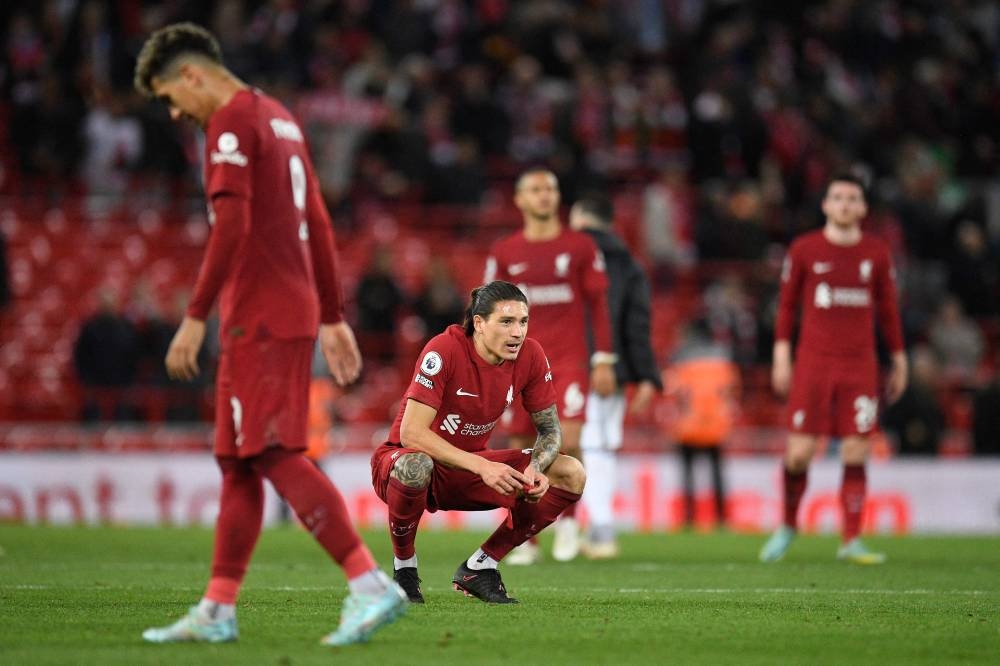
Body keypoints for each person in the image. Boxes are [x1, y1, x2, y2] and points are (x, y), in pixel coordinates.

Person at [132, 23, 405, 647]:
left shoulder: (230, 122)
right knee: (237, 461)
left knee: (275, 450)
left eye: (172, 97)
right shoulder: (279, 118)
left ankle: (368, 584)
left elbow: (232, 225)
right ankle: (218, 608)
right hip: (281, 309)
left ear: (193, 75)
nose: (176, 112)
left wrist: (194, 314)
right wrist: (332, 316)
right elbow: (319, 220)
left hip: (259, 313)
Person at [370, 281, 586, 603]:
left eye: (523, 321)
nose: (518, 332)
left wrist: (535, 468)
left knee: (571, 472)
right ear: (479, 323)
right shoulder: (444, 350)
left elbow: (551, 431)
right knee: (416, 465)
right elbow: (411, 434)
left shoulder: (530, 355)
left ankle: (481, 567)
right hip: (405, 461)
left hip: (468, 468)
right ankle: (405, 571)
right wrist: (483, 466)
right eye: (506, 321)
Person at [759, 173, 907, 565]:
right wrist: (781, 355)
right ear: (825, 205)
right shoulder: (806, 248)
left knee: (857, 449)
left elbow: (889, 311)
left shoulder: (876, 253)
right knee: (798, 455)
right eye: (837, 197)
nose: (844, 204)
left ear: (862, 208)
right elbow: (787, 306)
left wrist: (900, 357)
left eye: (852, 198)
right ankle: (789, 525)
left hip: (860, 365)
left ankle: (851, 539)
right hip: (813, 363)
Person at [484, 168, 615, 564]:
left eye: (550, 189)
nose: (544, 196)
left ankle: (569, 525)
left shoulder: (580, 246)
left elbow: (599, 305)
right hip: (516, 362)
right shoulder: (505, 252)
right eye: (535, 190)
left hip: (568, 359)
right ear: (520, 200)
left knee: (568, 440)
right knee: (515, 449)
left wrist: (605, 359)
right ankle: (525, 537)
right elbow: (483, 309)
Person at [567, 196, 661, 558]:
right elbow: (637, 322)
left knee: (577, 445)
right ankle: (595, 528)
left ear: (578, 215)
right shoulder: (628, 263)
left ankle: (586, 527)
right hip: (613, 369)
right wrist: (645, 375)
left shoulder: (568, 256)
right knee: (598, 444)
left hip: (566, 364)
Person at [663, 319, 739, 529]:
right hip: (715, 427)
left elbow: (673, 394)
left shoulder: (680, 363)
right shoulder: (721, 363)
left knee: (688, 476)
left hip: (688, 428)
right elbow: (731, 395)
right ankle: (722, 519)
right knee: (716, 475)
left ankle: (689, 518)